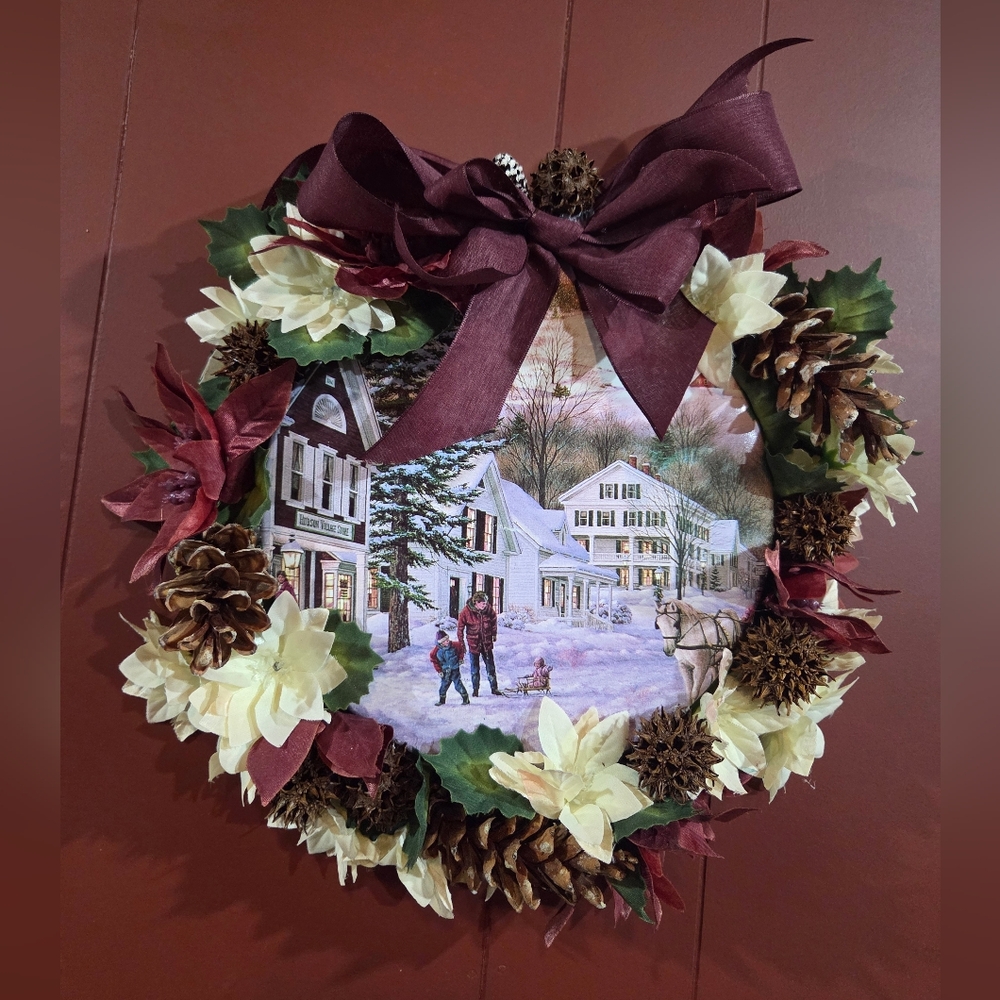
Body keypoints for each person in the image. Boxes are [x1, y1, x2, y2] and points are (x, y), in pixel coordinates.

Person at [457, 591, 500, 696]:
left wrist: (493, 634)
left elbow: (494, 620)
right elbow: (460, 629)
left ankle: (494, 689)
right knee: (475, 668)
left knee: (490, 667)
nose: (485, 606)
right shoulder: (465, 612)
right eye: (483, 604)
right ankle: (475, 690)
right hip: (474, 644)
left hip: (486, 643)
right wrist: (462, 644)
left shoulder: (488, 609)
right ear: (476, 602)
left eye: (486, 603)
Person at [429, 630, 470, 706]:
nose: (447, 642)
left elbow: (461, 649)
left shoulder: (455, 645)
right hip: (445, 672)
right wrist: (439, 671)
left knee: (458, 685)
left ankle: (465, 699)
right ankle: (442, 700)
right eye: (445, 641)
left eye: (447, 640)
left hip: (455, 670)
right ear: (440, 643)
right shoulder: (436, 651)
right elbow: (434, 660)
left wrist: (460, 659)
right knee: (443, 687)